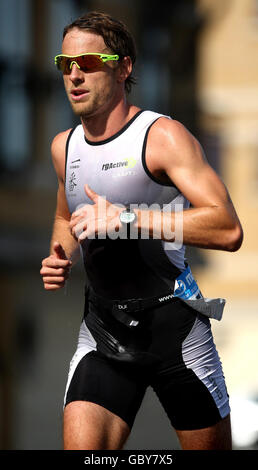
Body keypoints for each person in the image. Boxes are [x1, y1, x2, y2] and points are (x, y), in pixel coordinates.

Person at [40, 11, 243, 450]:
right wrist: (60, 255)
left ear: (123, 67)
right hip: (103, 332)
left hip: (175, 333)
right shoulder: (65, 147)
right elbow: (66, 216)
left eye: (89, 62)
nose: (75, 75)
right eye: (65, 64)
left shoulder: (161, 136)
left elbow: (227, 228)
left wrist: (129, 217)